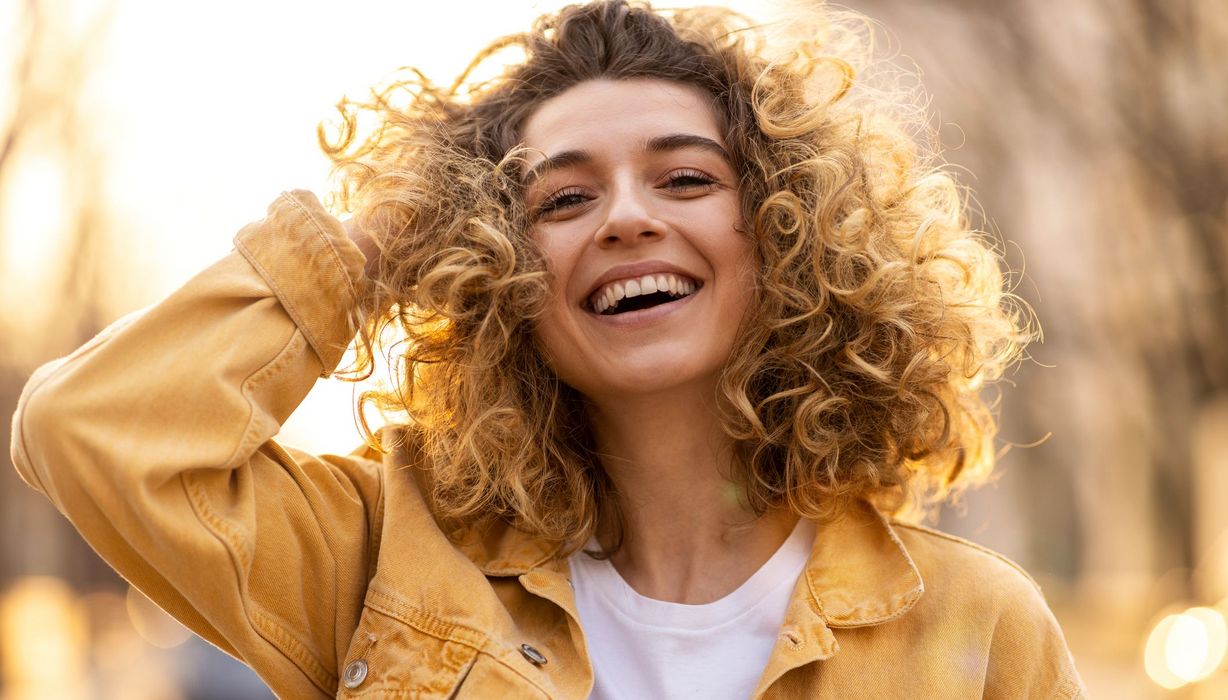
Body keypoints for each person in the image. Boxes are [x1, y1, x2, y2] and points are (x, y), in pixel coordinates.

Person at [9, 1, 1087, 697]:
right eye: (562, 198)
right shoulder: (380, 558)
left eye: (685, 178)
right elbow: (89, 431)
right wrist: (381, 242)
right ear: (500, 267)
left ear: (787, 237)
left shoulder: (973, 627)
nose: (625, 218)